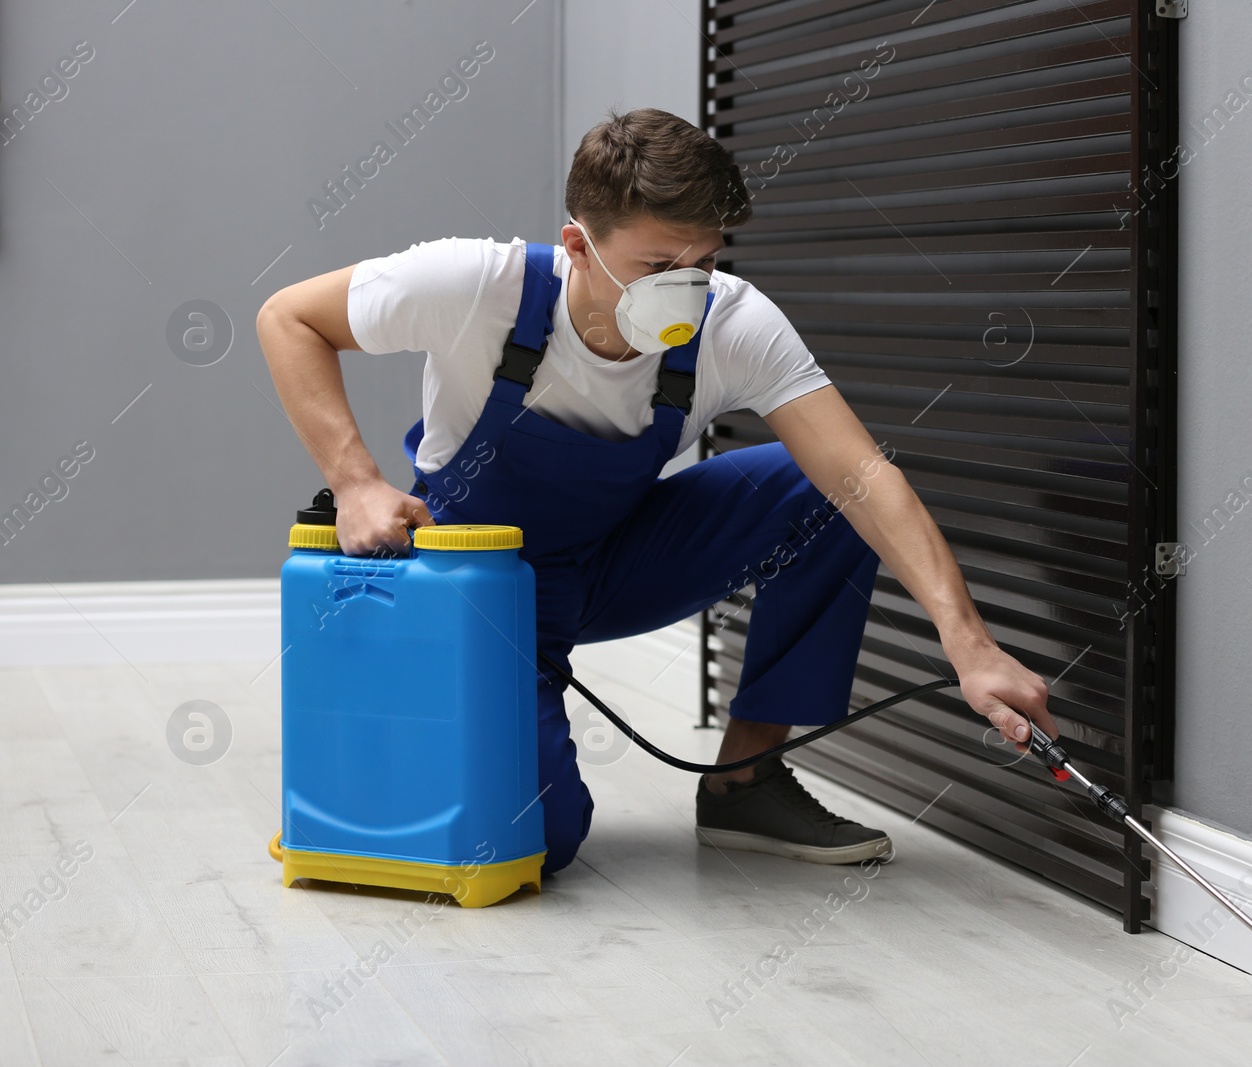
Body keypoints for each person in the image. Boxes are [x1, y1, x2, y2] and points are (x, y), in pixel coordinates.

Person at [257, 106, 1054, 876]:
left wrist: (968, 642)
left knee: (824, 488)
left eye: (704, 262)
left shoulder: (733, 325)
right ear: (577, 244)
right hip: (479, 588)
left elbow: (863, 474)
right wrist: (355, 482)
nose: (688, 287)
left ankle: (746, 781)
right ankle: (438, 747)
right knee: (541, 838)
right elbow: (287, 317)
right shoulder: (477, 286)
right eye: (657, 267)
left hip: (613, 559)